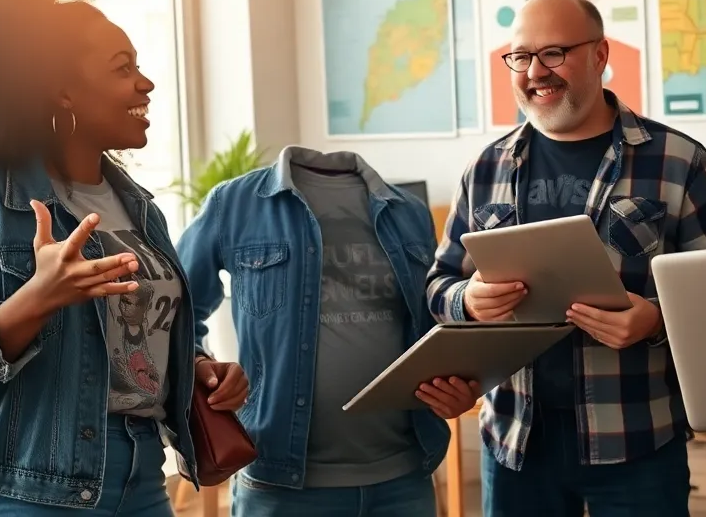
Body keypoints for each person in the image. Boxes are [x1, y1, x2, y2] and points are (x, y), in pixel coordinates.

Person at [0, 0, 248, 516]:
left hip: (140, 482)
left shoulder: (140, 208)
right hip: (25, 493)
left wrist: (196, 365)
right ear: (63, 92)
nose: (146, 84)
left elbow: (122, 344)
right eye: (122, 68)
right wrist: (34, 300)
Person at [426, 0, 706, 516]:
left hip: (638, 439)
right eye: (521, 56)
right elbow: (439, 285)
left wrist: (656, 321)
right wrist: (468, 299)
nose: (536, 71)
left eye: (554, 53)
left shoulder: (679, 161)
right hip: (515, 442)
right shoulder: (485, 169)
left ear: (600, 55)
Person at [178, 146, 481, 517]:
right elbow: (171, 314)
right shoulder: (234, 203)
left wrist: (458, 387)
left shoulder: (409, 213)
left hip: (404, 480)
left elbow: (433, 325)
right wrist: (199, 362)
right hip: (281, 484)